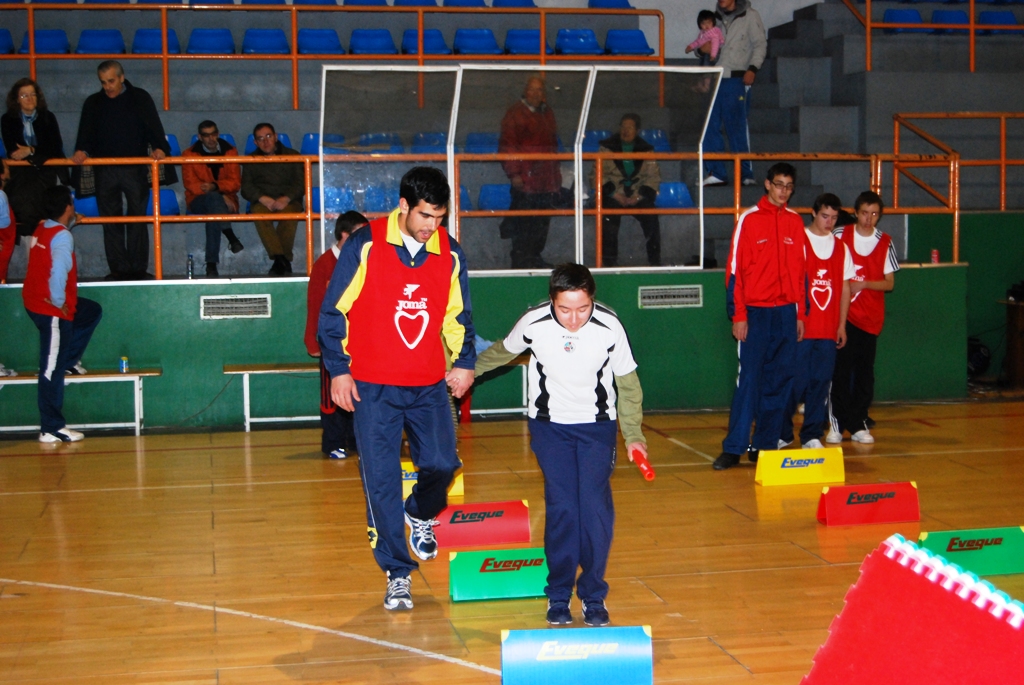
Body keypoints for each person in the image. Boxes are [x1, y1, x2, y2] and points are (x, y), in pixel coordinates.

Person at [318, 166, 475, 611]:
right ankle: (397, 572)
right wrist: (340, 371)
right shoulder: (365, 244)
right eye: (425, 216)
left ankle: (421, 512)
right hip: (372, 388)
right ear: (403, 206)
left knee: (444, 465)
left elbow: (458, 315)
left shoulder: (449, 252)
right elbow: (333, 313)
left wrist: (463, 363)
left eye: (440, 218)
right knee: (381, 482)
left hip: (427, 385)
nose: (432, 227)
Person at [475, 263, 647, 627]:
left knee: (595, 511)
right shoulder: (534, 322)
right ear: (552, 299)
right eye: (564, 309)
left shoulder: (610, 327)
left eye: (582, 309)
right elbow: (500, 353)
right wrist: (464, 372)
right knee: (564, 507)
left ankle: (593, 595)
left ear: (592, 300)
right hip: (550, 429)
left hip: (597, 429)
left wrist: (633, 436)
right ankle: (558, 595)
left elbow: (629, 385)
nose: (573, 318)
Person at [715, 162, 805, 470]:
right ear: (767, 185)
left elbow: (801, 274)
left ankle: (764, 445)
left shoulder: (795, 223)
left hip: (786, 314)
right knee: (749, 382)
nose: (783, 191)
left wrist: (800, 314)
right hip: (754, 314)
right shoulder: (749, 221)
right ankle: (734, 447)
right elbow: (735, 272)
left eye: (789, 186)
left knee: (779, 383)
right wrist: (738, 314)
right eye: (778, 185)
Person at [72, 61, 171, 281]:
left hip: (134, 167)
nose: (107, 86)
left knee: (137, 218)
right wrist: (81, 150)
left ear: (122, 77)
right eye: (103, 82)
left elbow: (154, 127)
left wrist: (160, 148)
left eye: (111, 81)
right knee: (110, 220)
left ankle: (137, 269)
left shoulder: (140, 98)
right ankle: (118, 269)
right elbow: (85, 134)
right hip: (103, 168)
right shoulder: (93, 103)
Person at [22, 186, 103, 443]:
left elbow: (50, 247)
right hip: (51, 308)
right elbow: (58, 271)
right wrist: (58, 302)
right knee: (50, 369)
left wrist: (70, 224)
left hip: (34, 300)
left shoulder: (43, 227)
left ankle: (69, 361)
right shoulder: (63, 237)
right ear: (68, 207)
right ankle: (51, 427)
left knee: (90, 311)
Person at [779, 193, 855, 450]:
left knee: (820, 383)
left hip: (827, 329)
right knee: (795, 382)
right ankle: (783, 430)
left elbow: (845, 287)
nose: (829, 222)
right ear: (813, 213)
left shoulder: (841, 248)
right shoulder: (798, 239)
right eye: (825, 216)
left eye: (834, 218)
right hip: (801, 327)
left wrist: (842, 324)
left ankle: (811, 434)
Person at [828, 191, 899, 445]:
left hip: (870, 318)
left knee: (864, 374)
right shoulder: (839, 235)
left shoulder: (885, 242)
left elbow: (889, 284)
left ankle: (858, 423)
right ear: (856, 212)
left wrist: (866, 283)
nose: (869, 219)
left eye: (875, 214)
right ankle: (836, 424)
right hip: (842, 317)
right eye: (865, 213)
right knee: (840, 372)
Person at [305, 209, 368, 460]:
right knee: (332, 396)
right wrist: (312, 340)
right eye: (359, 233)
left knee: (359, 392)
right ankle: (332, 442)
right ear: (344, 235)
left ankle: (356, 441)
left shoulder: (365, 261)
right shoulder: (324, 266)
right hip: (332, 342)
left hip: (361, 343)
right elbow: (315, 304)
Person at [701, 0, 767, 187]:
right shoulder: (714, 19)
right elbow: (705, 47)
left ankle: (745, 173)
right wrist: (702, 52)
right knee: (709, 126)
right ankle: (717, 172)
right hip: (715, 78)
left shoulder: (750, 16)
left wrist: (752, 69)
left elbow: (760, 44)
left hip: (736, 79)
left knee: (736, 127)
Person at [498, 76, 561, 269]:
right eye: (532, 89)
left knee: (542, 223)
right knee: (523, 224)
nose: (536, 93)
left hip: (545, 180)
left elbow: (552, 145)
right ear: (525, 91)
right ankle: (520, 261)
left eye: (540, 90)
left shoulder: (547, 113)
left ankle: (534, 257)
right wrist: (515, 173)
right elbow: (508, 146)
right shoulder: (515, 114)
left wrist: (555, 175)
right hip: (526, 181)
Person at [1, 78, 69, 243]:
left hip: (45, 172)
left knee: (42, 202)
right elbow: (14, 151)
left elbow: (55, 147)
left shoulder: (48, 117)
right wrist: (39, 152)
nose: (29, 98)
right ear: (17, 99)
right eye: (24, 95)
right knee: (23, 202)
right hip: (21, 175)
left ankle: (38, 244)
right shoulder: (8, 119)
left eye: (32, 94)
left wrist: (30, 150)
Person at [593, 113, 661, 267]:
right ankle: (609, 262)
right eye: (623, 126)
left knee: (651, 215)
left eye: (630, 127)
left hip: (637, 196)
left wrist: (638, 196)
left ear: (637, 130)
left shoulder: (647, 150)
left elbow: (653, 177)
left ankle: (655, 260)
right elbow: (596, 175)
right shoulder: (606, 148)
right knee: (608, 216)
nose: (626, 130)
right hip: (614, 195)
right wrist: (615, 194)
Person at [182, 120, 244, 278]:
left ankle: (211, 264)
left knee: (213, 214)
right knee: (213, 200)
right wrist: (220, 193)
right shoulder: (189, 155)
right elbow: (191, 185)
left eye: (213, 134)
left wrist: (215, 188)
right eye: (206, 135)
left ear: (217, 134)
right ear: (199, 137)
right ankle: (230, 235)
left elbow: (235, 183)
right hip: (198, 200)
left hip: (225, 201)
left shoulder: (230, 152)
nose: (211, 139)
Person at [241, 123, 304, 276]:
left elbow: (302, 183)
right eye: (260, 139)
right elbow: (246, 187)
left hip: (289, 201)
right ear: (255, 142)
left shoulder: (293, 156)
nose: (266, 141)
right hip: (263, 202)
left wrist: (286, 198)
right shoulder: (251, 160)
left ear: (276, 137)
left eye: (269, 136)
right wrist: (263, 199)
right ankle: (282, 259)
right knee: (258, 213)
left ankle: (279, 260)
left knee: (289, 216)